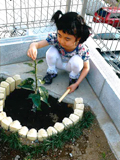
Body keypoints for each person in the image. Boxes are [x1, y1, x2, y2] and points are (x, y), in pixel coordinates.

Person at [27, 10, 91, 94]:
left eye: (67, 38)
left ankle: (73, 77)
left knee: (77, 61)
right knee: (51, 51)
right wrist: (33, 46)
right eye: (59, 35)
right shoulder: (55, 39)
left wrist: (77, 83)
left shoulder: (82, 49)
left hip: (71, 67)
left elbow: (86, 67)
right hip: (59, 63)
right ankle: (52, 71)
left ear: (78, 38)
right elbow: (37, 44)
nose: (61, 41)